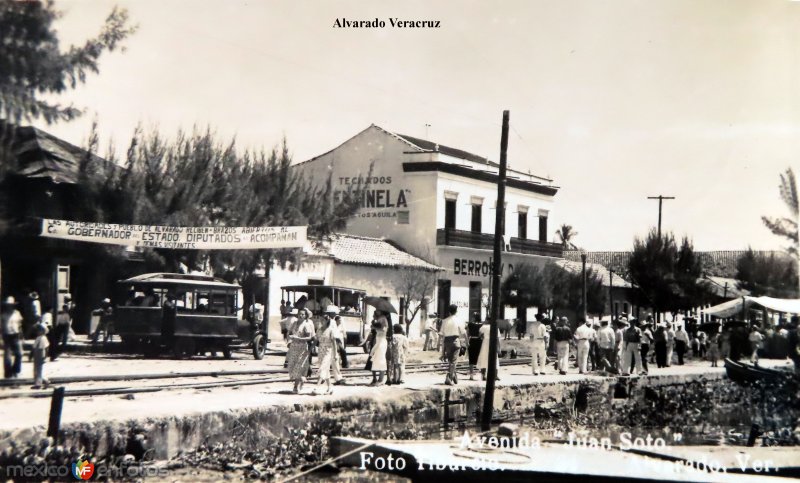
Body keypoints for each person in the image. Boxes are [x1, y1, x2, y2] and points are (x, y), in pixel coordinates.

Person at [287, 309, 315, 393]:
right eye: (300, 314)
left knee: (298, 367)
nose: (301, 316)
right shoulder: (294, 323)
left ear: (306, 316)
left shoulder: (306, 325)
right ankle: (302, 379)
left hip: (302, 348)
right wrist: (289, 340)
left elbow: (309, 337)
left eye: (303, 314)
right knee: (292, 365)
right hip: (293, 347)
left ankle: (295, 387)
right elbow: (289, 333)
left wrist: (298, 338)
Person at [440, 304, 468, 385]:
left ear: (449, 312)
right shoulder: (459, 320)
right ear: (456, 311)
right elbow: (464, 332)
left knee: (450, 360)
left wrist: (440, 345)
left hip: (447, 341)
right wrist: (467, 342)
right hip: (455, 340)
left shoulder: (444, 321)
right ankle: (449, 378)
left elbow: (441, 334)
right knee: (454, 361)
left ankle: (454, 375)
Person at [314, 315, 336, 395]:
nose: (321, 322)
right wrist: (311, 349)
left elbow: (334, 342)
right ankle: (330, 387)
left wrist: (335, 354)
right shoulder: (319, 330)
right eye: (321, 320)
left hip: (328, 351)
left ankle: (317, 387)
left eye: (323, 320)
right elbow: (316, 340)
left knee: (322, 368)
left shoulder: (330, 330)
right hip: (320, 351)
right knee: (325, 369)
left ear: (327, 321)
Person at [2, 296, 24, 379]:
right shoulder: (3, 315)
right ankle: (8, 374)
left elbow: (20, 325)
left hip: (16, 335)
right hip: (6, 335)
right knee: (7, 356)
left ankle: (16, 371)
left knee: (19, 353)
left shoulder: (17, 313)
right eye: (8, 305)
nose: (9, 306)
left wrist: (22, 336)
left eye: (11, 305)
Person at [368, 310, 389, 386]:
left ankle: (380, 380)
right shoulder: (380, 319)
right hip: (378, 340)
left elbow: (384, 329)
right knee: (376, 358)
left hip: (381, 341)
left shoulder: (383, 319)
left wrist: (374, 326)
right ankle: (378, 379)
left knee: (381, 359)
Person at [31, 321, 50, 389]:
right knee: (36, 369)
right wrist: (32, 354)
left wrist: (45, 356)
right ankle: (38, 382)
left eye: (40, 330)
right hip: (37, 353)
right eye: (38, 330)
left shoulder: (43, 338)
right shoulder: (38, 338)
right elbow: (34, 347)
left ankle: (42, 382)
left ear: (43, 331)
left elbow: (46, 348)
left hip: (41, 353)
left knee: (39, 370)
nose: (38, 331)